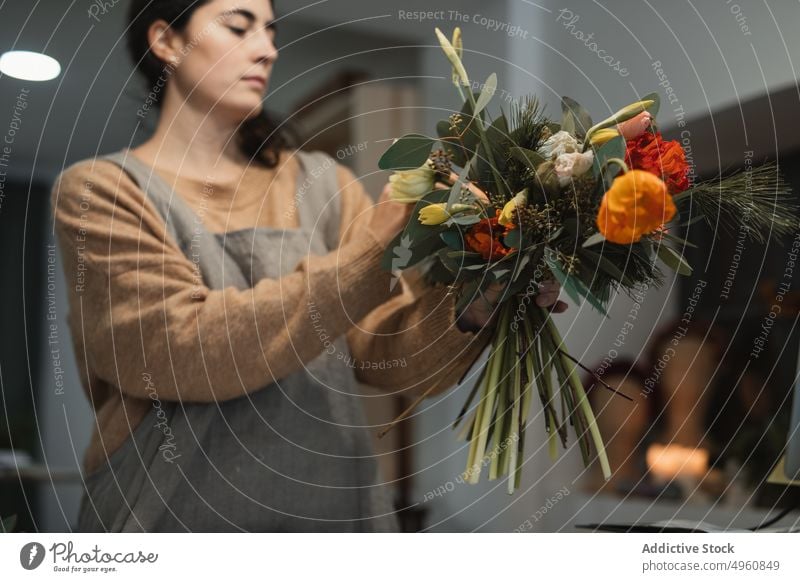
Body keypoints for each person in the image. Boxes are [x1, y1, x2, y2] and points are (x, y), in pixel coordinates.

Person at [51, 0, 564, 532]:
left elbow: (389, 354)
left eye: (271, 31)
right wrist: (373, 247)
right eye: (239, 26)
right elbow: (180, 348)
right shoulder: (101, 191)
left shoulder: (322, 185)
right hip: (169, 518)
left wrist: (476, 305)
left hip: (335, 517)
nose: (268, 48)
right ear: (167, 41)